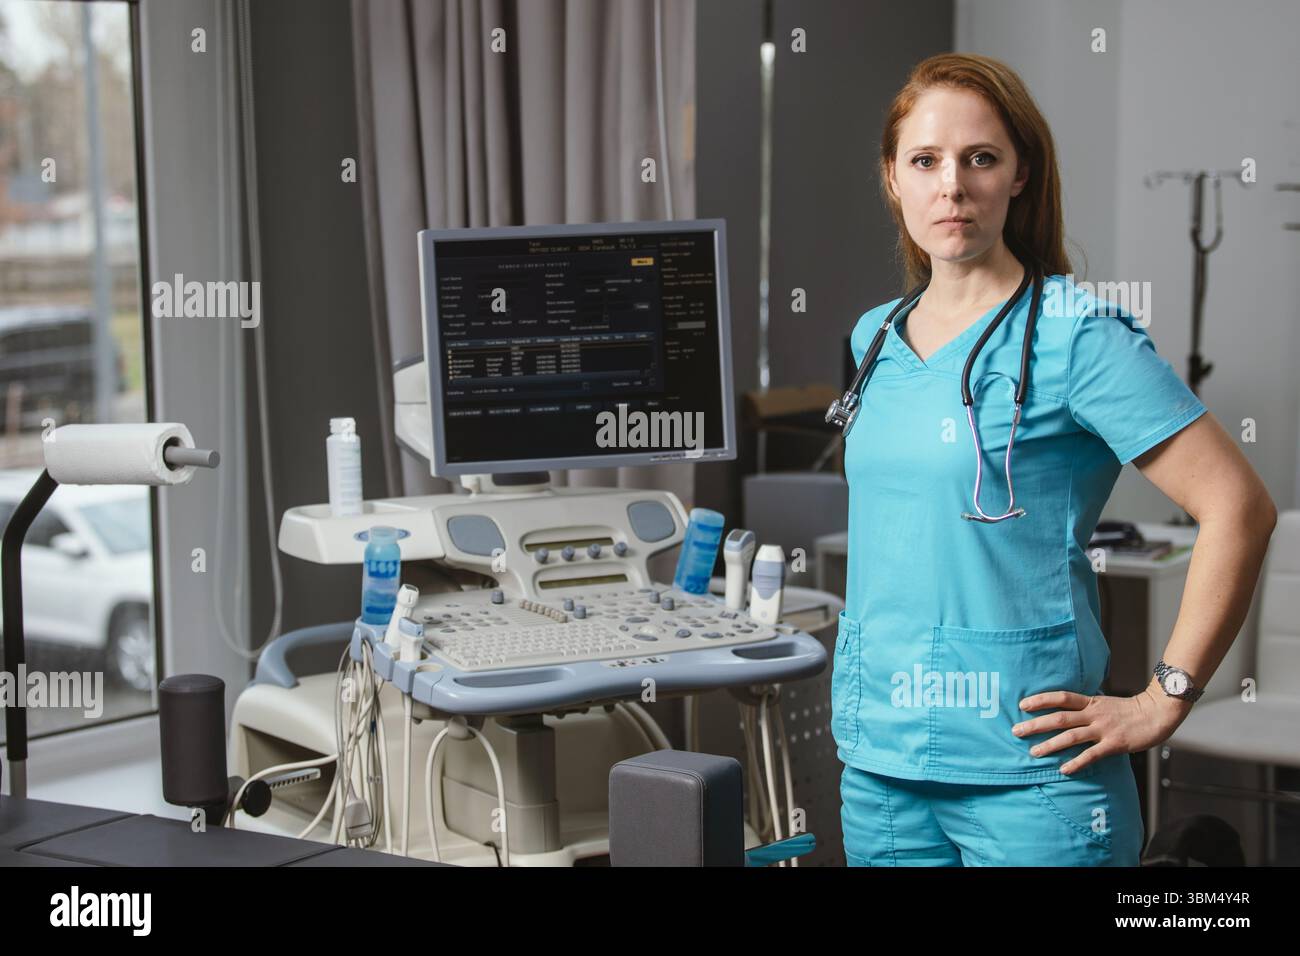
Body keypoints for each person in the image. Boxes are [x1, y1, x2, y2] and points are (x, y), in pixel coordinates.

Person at [833, 52, 1278, 866]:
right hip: (881, 765)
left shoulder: (1078, 335)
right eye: (925, 161)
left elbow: (1240, 507)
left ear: (1019, 175)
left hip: (1033, 771)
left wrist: (1162, 698)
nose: (952, 185)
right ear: (893, 180)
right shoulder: (873, 340)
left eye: (981, 158)